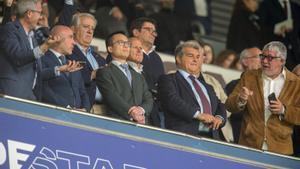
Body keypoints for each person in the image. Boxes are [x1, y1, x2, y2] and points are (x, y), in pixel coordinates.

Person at [225, 41, 300, 155]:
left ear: (282, 61)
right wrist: (240, 99)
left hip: (280, 150)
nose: (264, 61)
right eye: (263, 56)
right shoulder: (249, 76)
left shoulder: (295, 83)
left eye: (270, 58)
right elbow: (229, 105)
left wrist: (283, 110)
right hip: (249, 145)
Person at [158, 40, 226, 139]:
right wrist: (198, 115)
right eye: (190, 56)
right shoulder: (168, 79)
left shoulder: (207, 86)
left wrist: (220, 117)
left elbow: (220, 105)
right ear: (179, 58)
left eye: (198, 57)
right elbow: (172, 101)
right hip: (184, 136)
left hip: (212, 137)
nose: (195, 60)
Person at [0, 0, 57, 101]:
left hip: (30, 95)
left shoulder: (32, 35)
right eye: (40, 13)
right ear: (29, 13)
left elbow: (35, 70)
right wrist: (43, 47)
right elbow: (17, 57)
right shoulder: (10, 29)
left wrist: (58, 70)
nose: (41, 17)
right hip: (12, 93)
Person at [96, 32, 153, 124]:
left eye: (127, 43)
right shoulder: (104, 72)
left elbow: (148, 98)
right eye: (120, 43)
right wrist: (131, 111)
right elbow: (111, 96)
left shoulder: (138, 75)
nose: (126, 46)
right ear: (110, 48)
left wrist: (141, 110)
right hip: (118, 122)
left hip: (142, 123)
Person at [39, 25, 90, 111]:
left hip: (78, 117)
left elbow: (82, 92)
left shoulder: (71, 63)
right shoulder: (42, 59)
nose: (74, 42)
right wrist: (67, 108)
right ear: (56, 38)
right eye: (70, 37)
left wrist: (85, 109)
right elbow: (43, 88)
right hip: (53, 113)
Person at [130, 17, 165, 127]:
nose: (153, 34)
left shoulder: (157, 58)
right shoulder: (126, 51)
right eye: (148, 29)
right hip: (135, 106)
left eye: (154, 31)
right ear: (136, 32)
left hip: (155, 109)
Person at [69, 13, 107, 113]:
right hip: (81, 107)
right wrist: (93, 74)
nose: (90, 31)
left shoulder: (99, 58)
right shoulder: (68, 51)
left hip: (104, 109)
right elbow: (70, 77)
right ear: (73, 29)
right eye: (86, 27)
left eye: (92, 28)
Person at [225, 47, 261, 143]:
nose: (263, 60)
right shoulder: (233, 85)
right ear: (245, 62)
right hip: (241, 139)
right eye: (259, 57)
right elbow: (229, 111)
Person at [258, 0, 300, 71]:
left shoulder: (297, 7)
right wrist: (276, 29)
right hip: (274, 53)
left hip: (295, 56)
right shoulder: (266, 4)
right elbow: (261, 27)